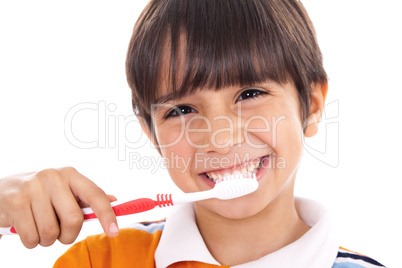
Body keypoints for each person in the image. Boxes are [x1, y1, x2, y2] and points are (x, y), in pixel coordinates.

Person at [0, 0, 386, 267]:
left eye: (250, 94)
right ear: (151, 134)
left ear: (313, 106)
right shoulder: (100, 262)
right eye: (181, 110)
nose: (219, 139)